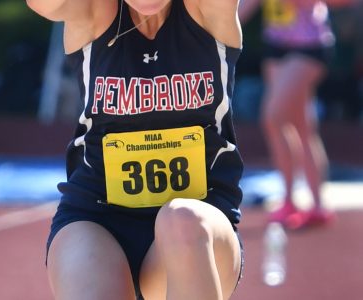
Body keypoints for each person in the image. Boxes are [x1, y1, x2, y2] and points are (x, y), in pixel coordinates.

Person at [27, 0, 244, 299]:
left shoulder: (205, 10)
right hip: (97, 217)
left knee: (182, 218)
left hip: (199, 228)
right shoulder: (95, 11)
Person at [238, 0, 356, 229]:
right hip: (276, 45)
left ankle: (290, 199)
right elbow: (243, 8)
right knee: (302, 125)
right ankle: (318, 204)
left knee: (273, 116)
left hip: (309, 46)